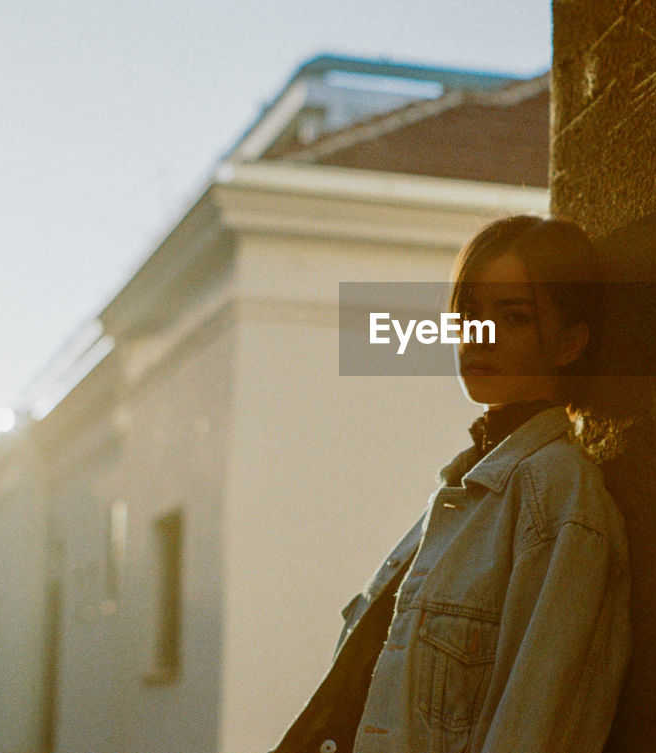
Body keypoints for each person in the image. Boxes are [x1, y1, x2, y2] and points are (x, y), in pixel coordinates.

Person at [268, 215, 631, 753]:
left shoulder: (557, 498)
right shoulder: (462, 488)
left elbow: (533, 727)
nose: (481, 337)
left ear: (570, 341)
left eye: (514, 317)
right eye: (471, 315)